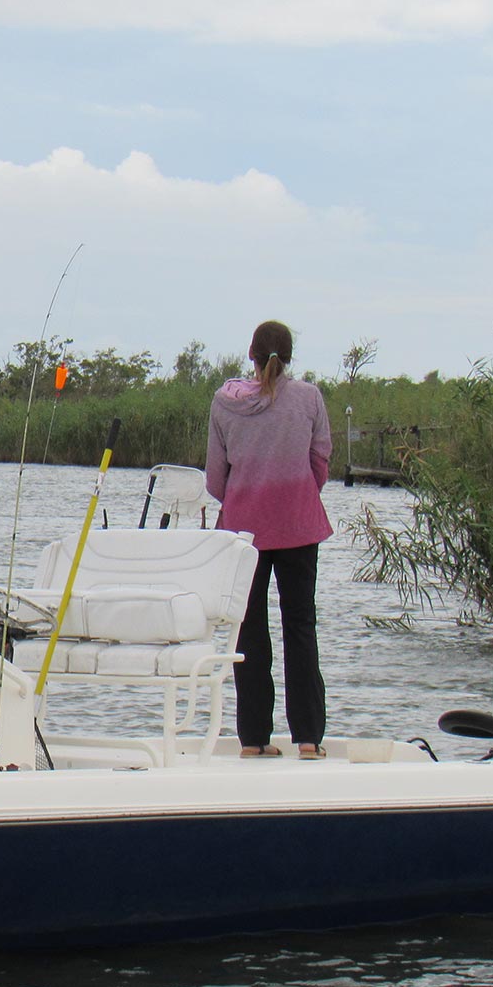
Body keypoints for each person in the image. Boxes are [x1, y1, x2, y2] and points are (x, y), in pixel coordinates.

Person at [205, 319, 333, 760]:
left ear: (251, 355)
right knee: (301, 627)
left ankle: (254, 740)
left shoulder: (225, 404)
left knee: (249, 632)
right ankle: (309, 740)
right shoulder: (310, 397)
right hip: (299, 525)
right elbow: (320, 461)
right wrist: (294, 493)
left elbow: (215, 479)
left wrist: (246, 497)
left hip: (244, 531)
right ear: (290, 356)